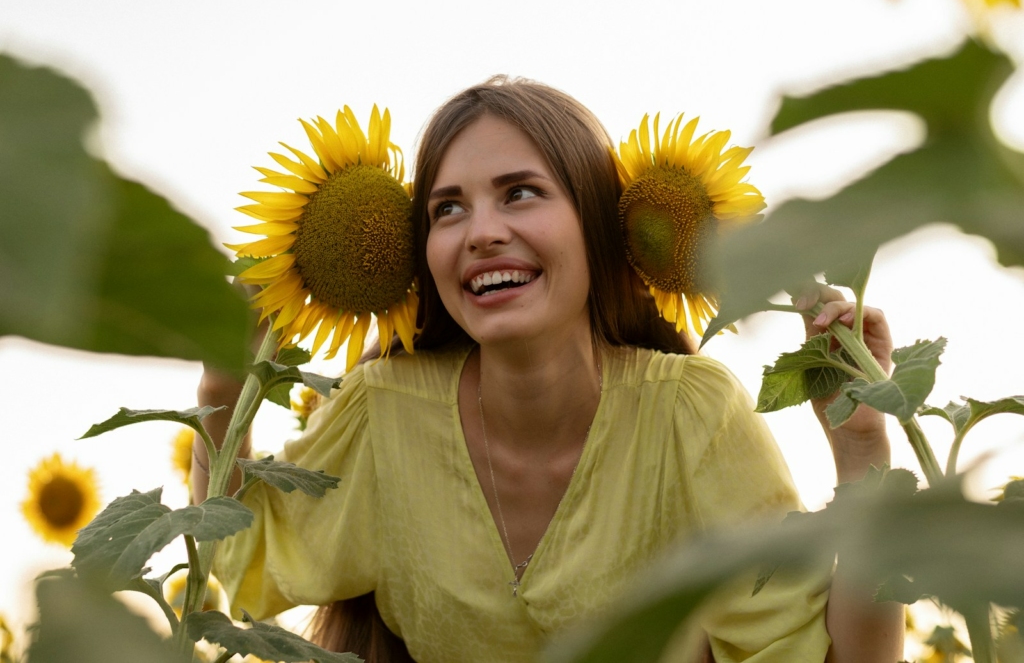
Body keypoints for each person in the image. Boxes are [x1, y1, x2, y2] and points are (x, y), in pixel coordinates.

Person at [194, 78, 903, 662]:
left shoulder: (691, 415)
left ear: (597, 224)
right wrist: (223, 385)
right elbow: (240, 553)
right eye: (448, 209)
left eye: (521, 192)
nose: (482, 232)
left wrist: (862, 447)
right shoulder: (383, 414)